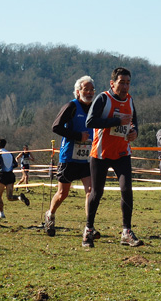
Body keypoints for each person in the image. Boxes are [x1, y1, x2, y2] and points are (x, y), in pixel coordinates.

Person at [83, 67, 143, 248]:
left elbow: (134, 124)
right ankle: (88, 230)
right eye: (121, 82)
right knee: (96, 193)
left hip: (122, 153)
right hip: (101, 154)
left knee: (126, 189)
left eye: (128, 83)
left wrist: (134, 133)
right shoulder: (103, 99)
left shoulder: (130, 100)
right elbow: (90, 122)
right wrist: (116, 121)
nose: (125, 86)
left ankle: (126, 232)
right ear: (112, 83)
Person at [44, 76, 98, 237]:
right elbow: (56, 127)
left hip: (86, 158)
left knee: (90, 191)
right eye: (85, 89)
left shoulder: (95, 109)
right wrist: (76, 135)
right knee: (63, 194)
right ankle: (50, 214)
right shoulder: (71, 107)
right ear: (77, 91)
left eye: (91, 90)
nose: (88, 93)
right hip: (68, 158)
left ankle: (89, 227)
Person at [0, 139, 30, 219]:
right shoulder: (9, 153)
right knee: (9, 197)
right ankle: (19, 197)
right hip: (11, 176)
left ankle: (1, 214)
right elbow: (15, 164)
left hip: (2, 176)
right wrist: (10, 167)